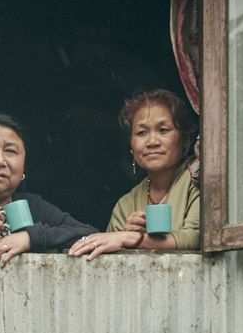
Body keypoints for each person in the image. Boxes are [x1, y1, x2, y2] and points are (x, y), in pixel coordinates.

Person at [0, 113, 95, 267]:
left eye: (10, 152)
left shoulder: (33, 205)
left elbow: (90, 235)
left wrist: (29, 238)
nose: (0, 161)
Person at [69, 89, 202, 259]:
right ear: (131, 146)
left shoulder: (197, 178)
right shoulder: (125, 205)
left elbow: (197, 237)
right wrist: (128, 237)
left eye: (163, 130)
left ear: (185, 139)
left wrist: (133, 239)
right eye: (142, 133)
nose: (152, 142)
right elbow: (112, 260)